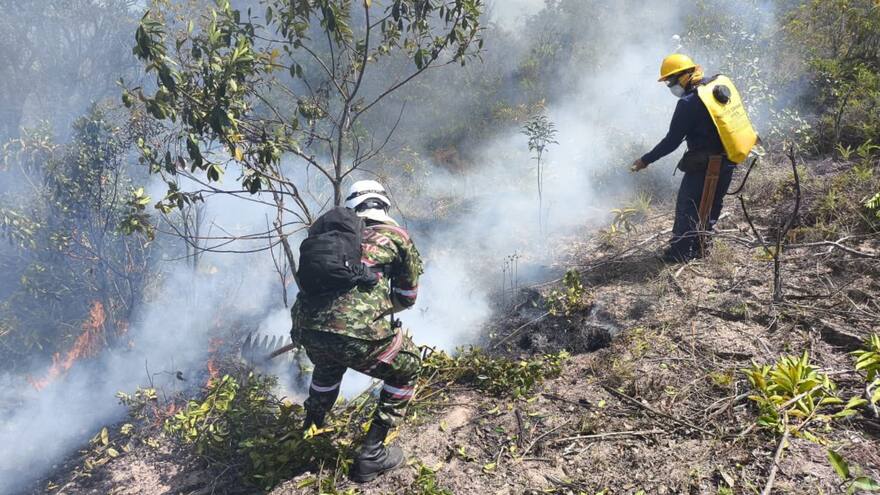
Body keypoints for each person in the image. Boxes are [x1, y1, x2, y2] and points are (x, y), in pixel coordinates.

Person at [290, 179, 423, 483]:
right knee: (408, 367)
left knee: (329, 362)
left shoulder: (331, 235)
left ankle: (310, 427)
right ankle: (372, 454)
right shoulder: (396, 236)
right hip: (353, 331)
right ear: (384, 206)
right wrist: (377, 311)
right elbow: (407, 297)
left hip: (305, 326)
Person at [631, 54, 758, 262]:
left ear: (683, 76)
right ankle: (702, 247)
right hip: (728, 159)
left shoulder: (689, 102)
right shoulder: (715, 87)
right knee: (713, 203)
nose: (670, 87)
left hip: (704, 164)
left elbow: (672, 141)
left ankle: (680, 252)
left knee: (687, 205)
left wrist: (645, 160)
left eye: (671, 81)